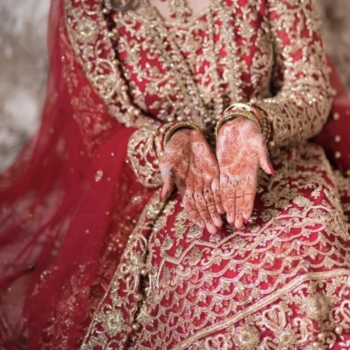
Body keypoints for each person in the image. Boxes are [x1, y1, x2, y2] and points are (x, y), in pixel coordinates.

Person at [0, 0, 350, 348]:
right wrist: (167, 143)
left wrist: (252, 122)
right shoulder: (92, 11)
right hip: (172, 193)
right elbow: (98, 138)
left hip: (278, 156)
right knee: (200, 286)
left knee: (308, 249)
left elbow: (310, 89)